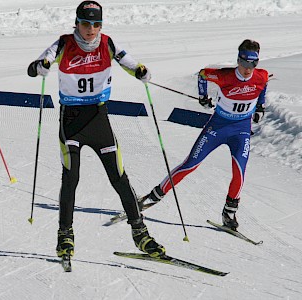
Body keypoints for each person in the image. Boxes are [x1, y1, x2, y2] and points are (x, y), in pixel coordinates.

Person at [28, 1, 165, 259]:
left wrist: (141, 71)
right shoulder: (64, 43)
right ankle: (65, 236)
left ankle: (140, 234)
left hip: (98, 119)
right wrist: (41, 67)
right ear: (77, 22)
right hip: (71, 121)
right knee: (71, 177)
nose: (91, 29)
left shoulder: (108, 43)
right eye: (86, 23)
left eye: (96, 24)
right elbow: (34, 67)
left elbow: (130, 62)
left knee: (119, 177)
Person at [140, 39, 269, 231]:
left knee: (239, 173)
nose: (248, 68)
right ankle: (153, 196)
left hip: (241, 131)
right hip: (218, 127)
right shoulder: (224, 76)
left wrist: (260, 107)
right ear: (238, 59)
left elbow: (263, 86)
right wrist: (203, 97)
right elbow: (202, 74)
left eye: (253, 63)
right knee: (190, 165)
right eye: (244, 62)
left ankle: (229, 212)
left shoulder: (261, 76)